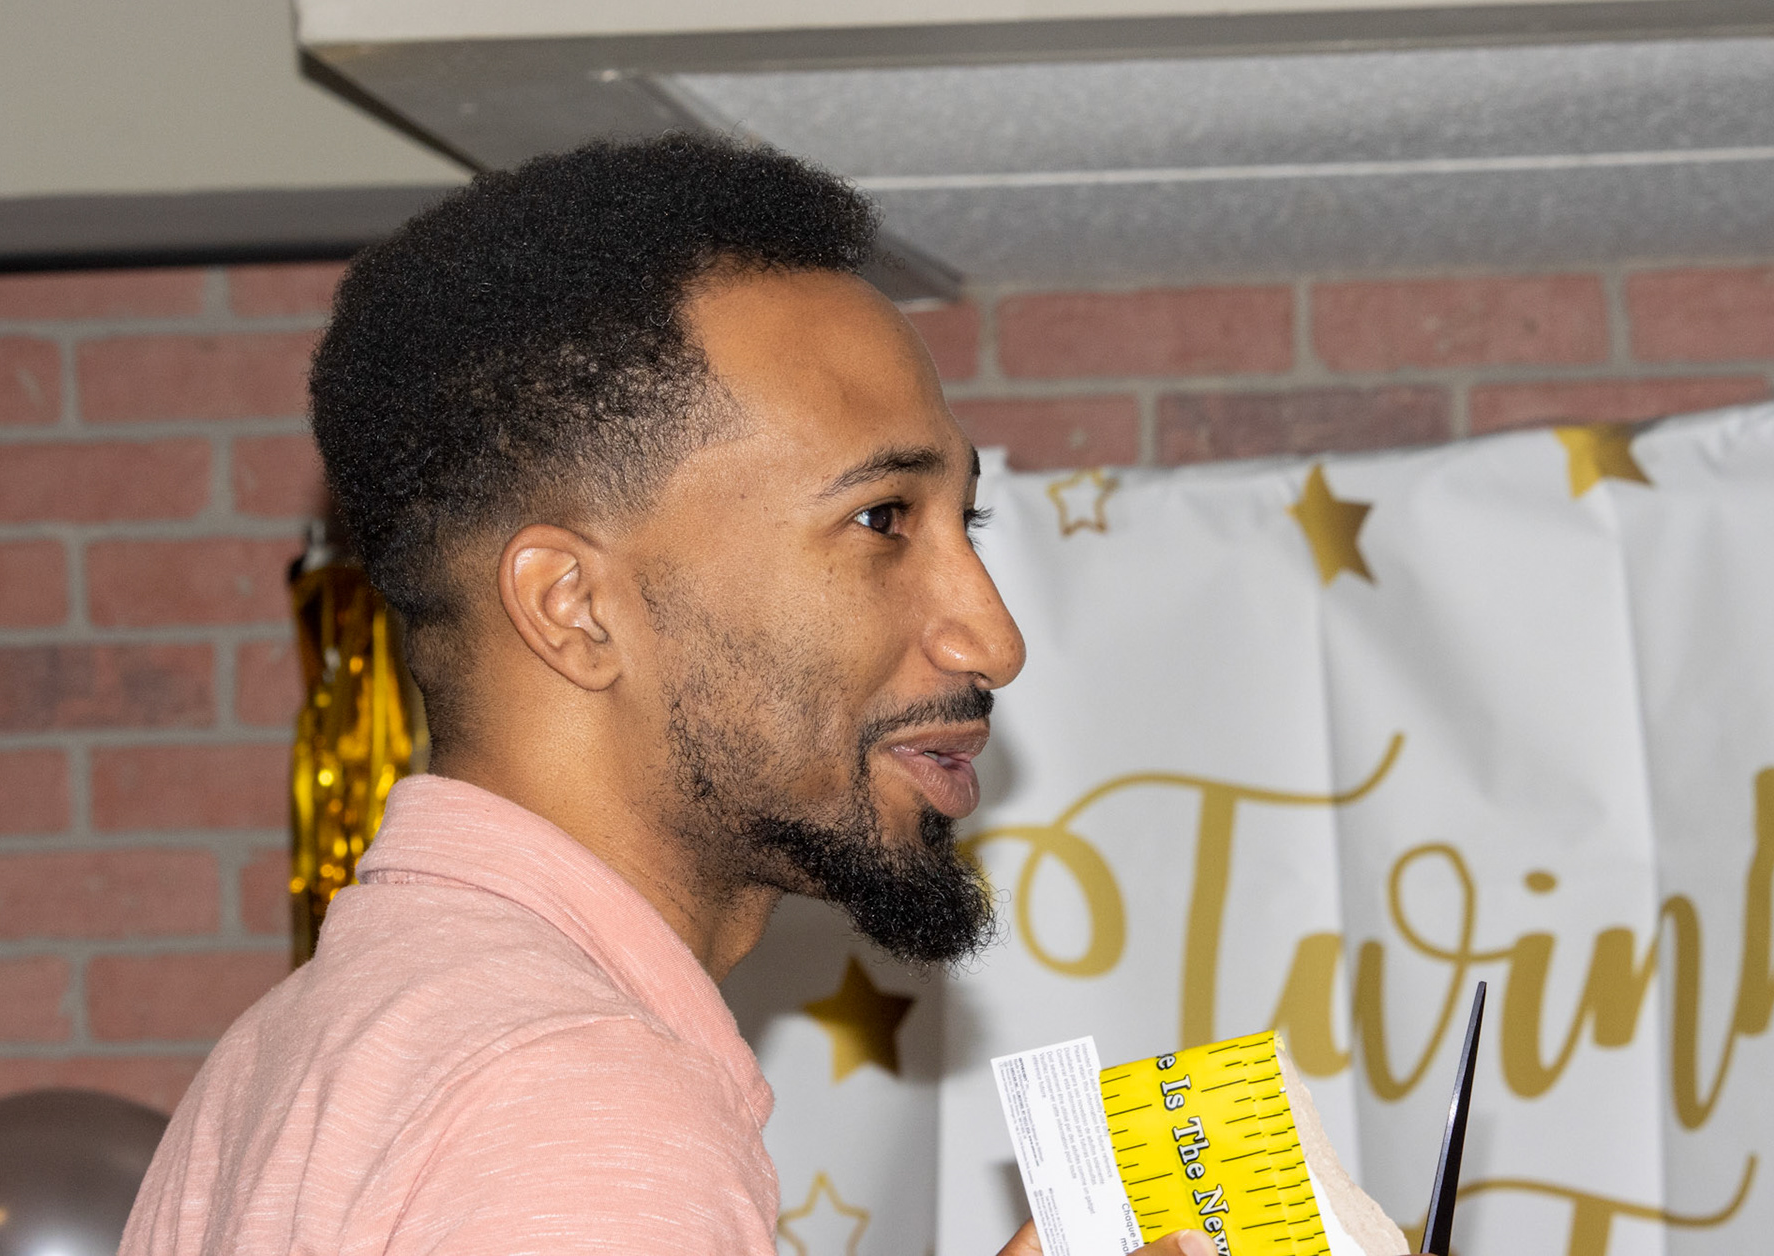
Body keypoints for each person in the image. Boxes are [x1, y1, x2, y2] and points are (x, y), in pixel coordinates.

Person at [119, 134, 1214, 1256]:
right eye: (882, 517)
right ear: (575, 608)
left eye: (965, 522)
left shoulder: (295, 1057)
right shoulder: (572, 1104)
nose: (993, 638)